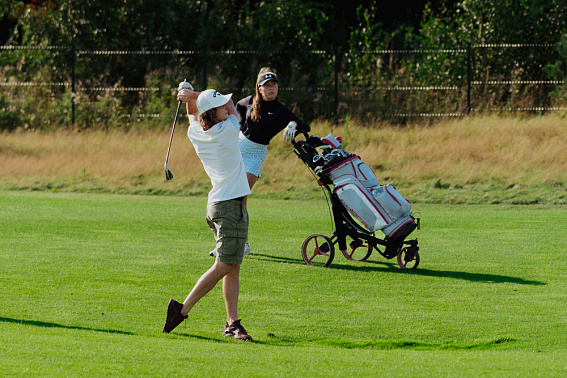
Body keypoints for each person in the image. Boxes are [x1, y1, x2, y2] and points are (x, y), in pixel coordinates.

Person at [162, 86, 252, 341]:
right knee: (224, 264)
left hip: (219, 206)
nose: (227, 107)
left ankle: (232, 323)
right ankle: (181, 309)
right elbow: (233, 106)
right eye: (221, 106)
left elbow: (192, 115)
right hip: (230, 207)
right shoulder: (229, 130)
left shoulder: (196, 132)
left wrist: (190, 96)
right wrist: (193, 95)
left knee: (232, 266)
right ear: (214, 113)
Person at [209, 67, 310, 257]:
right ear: (259, 88)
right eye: (267, 85)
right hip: (236, 150)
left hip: (255, 155)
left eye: (274, 85)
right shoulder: (247, 102)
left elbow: (306, 126)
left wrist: (293, 124)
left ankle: (240, 244)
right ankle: (230, 243)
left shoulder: (281, 111)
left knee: (238, 198)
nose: (271, 88)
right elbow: (233, 114)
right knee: (229, 198)